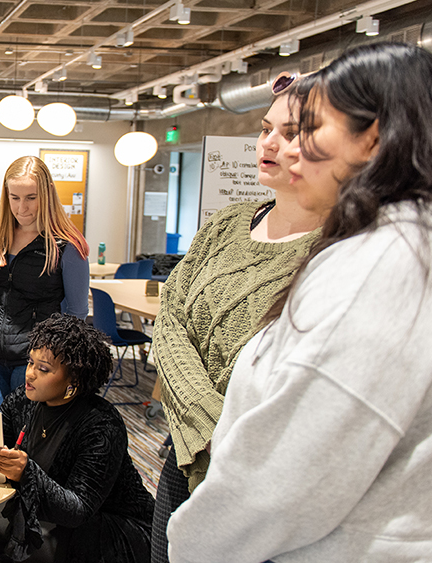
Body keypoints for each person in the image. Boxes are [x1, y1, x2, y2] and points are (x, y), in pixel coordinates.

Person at [167, 42, 432, 563]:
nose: (291, 150)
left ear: (372, 138)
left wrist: (193, 543)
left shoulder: (391, 266)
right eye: (277, 131)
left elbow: (283, 479)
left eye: (310, 130)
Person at [150, 72, 324, 563]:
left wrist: (222, 438)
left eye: (290, 133)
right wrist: (206, 426)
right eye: (266, 128)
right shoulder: (227, 224)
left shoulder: (339, 249)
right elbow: (170, 321)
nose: (269, 142)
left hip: (258, 468)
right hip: (188, 444)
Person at [0, 313, 155, 562]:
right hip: (53, 513)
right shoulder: (23, 401)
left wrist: (26, 473)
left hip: (111, 524)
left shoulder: (101, 424)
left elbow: (78, 509)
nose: (30, 374)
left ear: (73, 381)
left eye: (43, 369)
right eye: (30, 362)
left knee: (36, 546)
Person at [0, 156, 90, 411]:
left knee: (23, 444)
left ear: (47, 195)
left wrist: (56, 363)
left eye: (31, 198)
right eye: (14, 198)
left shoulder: (66, 246)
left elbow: (77, 314)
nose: (21, 208)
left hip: (36, 361)